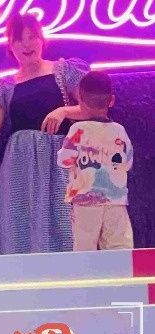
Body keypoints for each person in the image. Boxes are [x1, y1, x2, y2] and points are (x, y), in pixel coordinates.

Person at [0, 13, 89, 255]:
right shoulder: (6, 85)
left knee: (65, 221)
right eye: (19, 39)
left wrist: (64, 111)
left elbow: (93, 108)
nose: (27, 44)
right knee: (20, 223)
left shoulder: (63, 71)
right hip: (20, 165)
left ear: (42, 39)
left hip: (60, 160)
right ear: (11, 46)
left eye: (32, 37)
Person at [57, 71, 134, 251]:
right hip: (115, 199)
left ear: (80, 101)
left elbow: (65, 160)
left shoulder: (78, 130)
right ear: (111, 100)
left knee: (84, 247)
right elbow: (128, 162)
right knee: (119, 246)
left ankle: (86, 271)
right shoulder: (119, 130)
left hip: (85, 199)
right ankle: (120, 271)